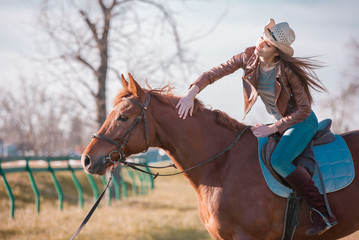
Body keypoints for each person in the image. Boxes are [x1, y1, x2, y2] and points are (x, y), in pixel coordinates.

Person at [176, 18, 337, 236]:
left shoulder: (287, 71)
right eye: (262, 37)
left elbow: (304, 110)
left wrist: (273, 128)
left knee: (279, 160)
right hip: (280, 121)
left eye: (268, 43)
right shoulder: (248, 56)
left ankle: (322, 213)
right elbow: (216, 72)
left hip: (301, 121)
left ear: (277, 52)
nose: (261, 43)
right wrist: (191, 92)